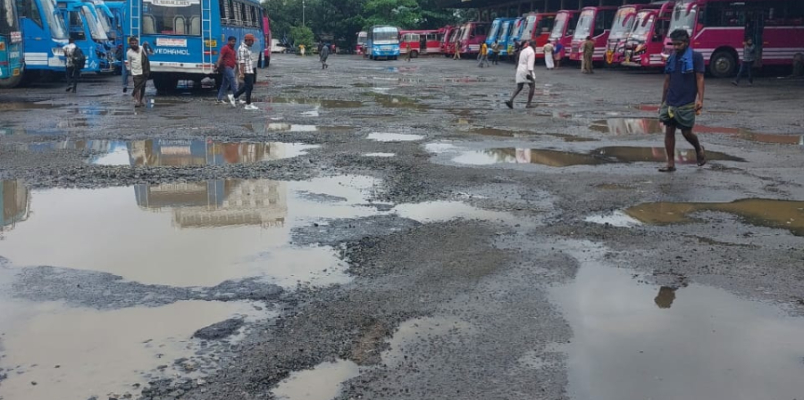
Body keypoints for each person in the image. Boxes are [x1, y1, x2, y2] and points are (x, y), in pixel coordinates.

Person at [658, 29, 706, 173]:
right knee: (669, 131)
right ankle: (671, 163)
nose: (676, 47)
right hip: (671, 100)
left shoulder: (696, 57)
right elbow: (667, 81)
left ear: (686, 42)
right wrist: (662, 102)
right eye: (674, 44)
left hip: (687, 101)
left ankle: (698, 148)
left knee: (686, 132)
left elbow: (700, 78)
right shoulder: (671, 58)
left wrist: (700, 99)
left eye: (679, 44)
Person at [505, 40, 535, 109]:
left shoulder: (523, 50)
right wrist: (531, 75)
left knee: (519, 87)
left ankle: (511, 100)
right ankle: (528, 104)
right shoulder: (531, 52)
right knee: (532, 86)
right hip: (526, 70)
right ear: (533, 45)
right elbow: (530, 65)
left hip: (520, 69)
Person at [233, 34, 258, 110]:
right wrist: (242, 73)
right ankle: (248, 104)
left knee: (247, 87)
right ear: (247, 40)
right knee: (249, 88)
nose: (253, 43)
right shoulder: (242, 49)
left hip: (249, 70)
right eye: (252, 41)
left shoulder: (246, 48)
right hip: (246, 71)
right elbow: (242, 62)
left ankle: (234, 96)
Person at [126, 37, 150, 107]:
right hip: (135, 72)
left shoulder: (142, 48)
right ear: (130, 44)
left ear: (137, 43)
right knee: (137, 87)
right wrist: (130, 71)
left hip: (144, 71)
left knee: (142, 87)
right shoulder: (129, 53)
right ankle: (137, 101)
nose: (134, 44)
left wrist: (146, 46)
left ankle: (141, 100)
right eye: (132, 43)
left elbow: (149, 54)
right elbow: (129, 62)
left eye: (135, 43)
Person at [216, 36, 238, 106]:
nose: (233, 43)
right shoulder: (225, 48)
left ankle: (219, 99)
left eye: (234, 41)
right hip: (226, 67)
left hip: (231, 67)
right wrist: (218, 64)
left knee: (224, 84)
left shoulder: (233, 51)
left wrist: (239, 65)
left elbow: (234, 60)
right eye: (232, 41)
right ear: (228, 41)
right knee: (233, 81)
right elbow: (221, 56)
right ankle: (236, 96)